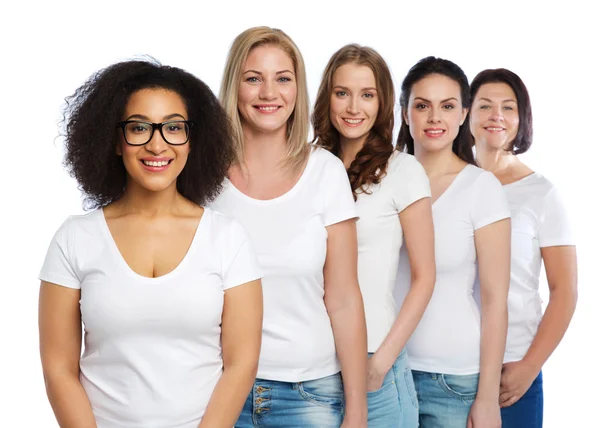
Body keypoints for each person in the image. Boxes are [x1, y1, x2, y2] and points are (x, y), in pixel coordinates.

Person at [38, 59, 263, 428]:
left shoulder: (227, 238)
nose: (157, 145)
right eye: (139, 128)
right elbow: (58, 368)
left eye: (173, 127)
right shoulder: (75, 238)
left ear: (192, 140)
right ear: (114, 141)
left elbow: (241, 364)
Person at [211, 27, 368, 427]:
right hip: (218, 390)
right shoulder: (202, 177)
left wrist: (357, 411)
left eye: (282, 78)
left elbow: (344, 298)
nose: (269, 93)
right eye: (253, 78)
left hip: (309, 395)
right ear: (234, 86)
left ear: (297, 89)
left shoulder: (326, 173)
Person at [312, 44, 435, 427]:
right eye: (342, 93)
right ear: (326, 97)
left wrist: (381, 362)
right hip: (311, 361)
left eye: (367, 95)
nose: (353, 108)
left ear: (382, 103)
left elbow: (425, 277)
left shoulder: (403, 170)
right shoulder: (308, 166)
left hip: (373, 359)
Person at [393, 56, 510, 428]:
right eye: (422, 105)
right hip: (384, 372)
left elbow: (494, 301)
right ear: (405, 111)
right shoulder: (381, 178)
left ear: (463, 114)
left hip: (453, 382)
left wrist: (488, 397)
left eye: (447, 106)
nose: (434, 118)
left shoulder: (481, 188)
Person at [469, 68, 578, 428]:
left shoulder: (541, 194)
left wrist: (529, 367)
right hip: (444, 367)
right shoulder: (445, 181)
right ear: (467, 114)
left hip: (511, 372)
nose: (495, 116)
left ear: (521, 118)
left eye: (507, 107)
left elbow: (564, 291)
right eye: (484, 105)